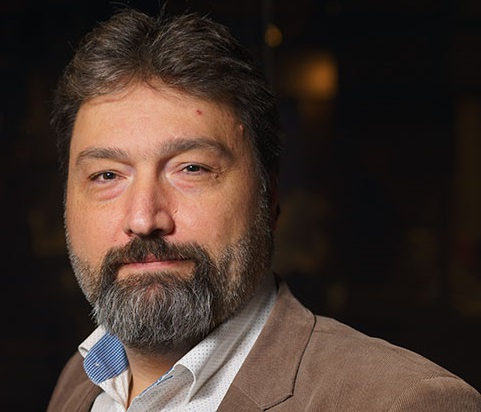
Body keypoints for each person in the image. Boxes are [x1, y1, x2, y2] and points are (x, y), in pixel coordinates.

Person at [47, 8, 481, 411]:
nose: (144, 219)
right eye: (106, 175)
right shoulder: (82, 381)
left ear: (268, 197)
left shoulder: (401, 401)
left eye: (192, 169)